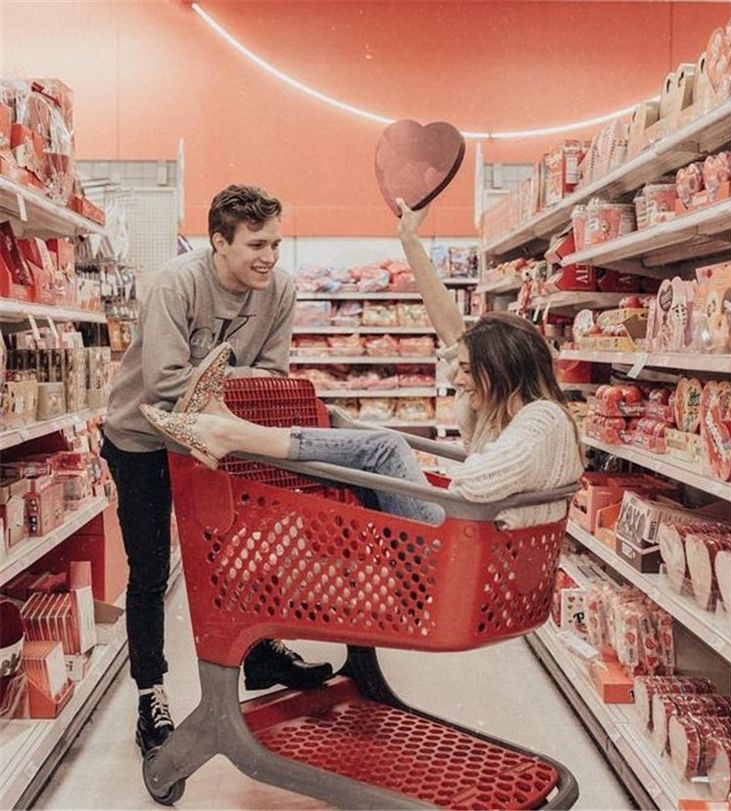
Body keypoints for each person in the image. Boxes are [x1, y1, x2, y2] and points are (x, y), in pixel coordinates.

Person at [137, 198, 584, 534]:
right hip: (475, 532)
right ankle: (230, 427)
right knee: (362, 446)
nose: (458, 378)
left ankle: (226, 431)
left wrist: (439, 470)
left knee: (386, 449)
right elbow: (453, 333)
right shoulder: (506, 404)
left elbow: (474, 487)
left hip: (472, 540)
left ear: (502, 370)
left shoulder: (540, 422)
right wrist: (409, 240)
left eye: (468, 371)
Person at [101, 185, 333, 757]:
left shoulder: (279, 290)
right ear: (218, 242)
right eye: (256, 244)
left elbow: (273, 375)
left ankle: (258, 653)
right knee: (151, 572)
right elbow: (164, 385)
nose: (269, 257)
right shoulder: (177, 285)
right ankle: (150, 697)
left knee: (244, 556)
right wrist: (240, 380)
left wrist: (228, 388)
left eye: (275, 243)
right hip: (143, 439)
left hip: (221, 436)